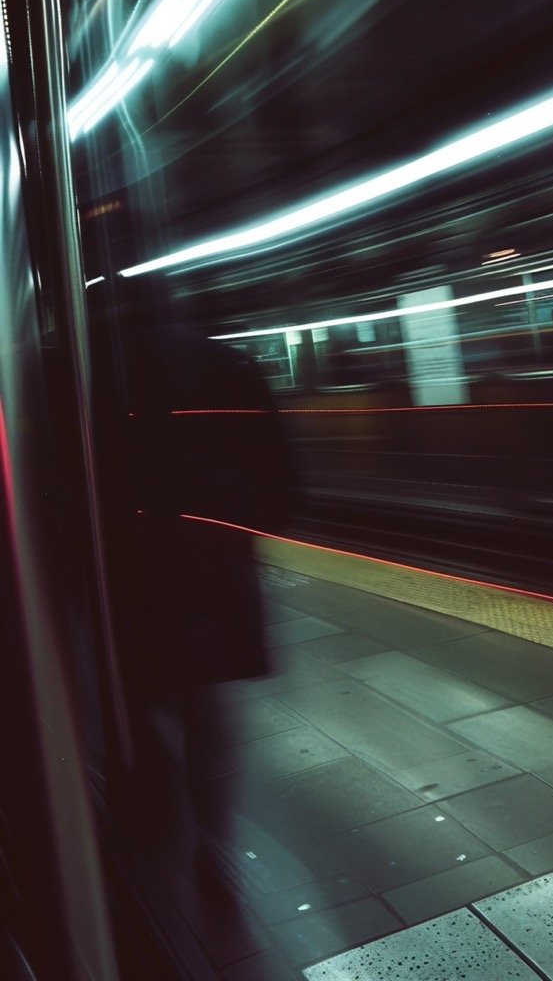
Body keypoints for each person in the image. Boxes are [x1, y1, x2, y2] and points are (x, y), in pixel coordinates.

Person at [89, 278, 296, 886]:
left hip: (132, 567)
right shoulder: (230, 363)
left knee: (139, 689)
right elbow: (280, 476)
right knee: (206, 703)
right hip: (213, 565)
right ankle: (214, 840)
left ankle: (153, 803)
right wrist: (242, 530)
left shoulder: (99, 380)